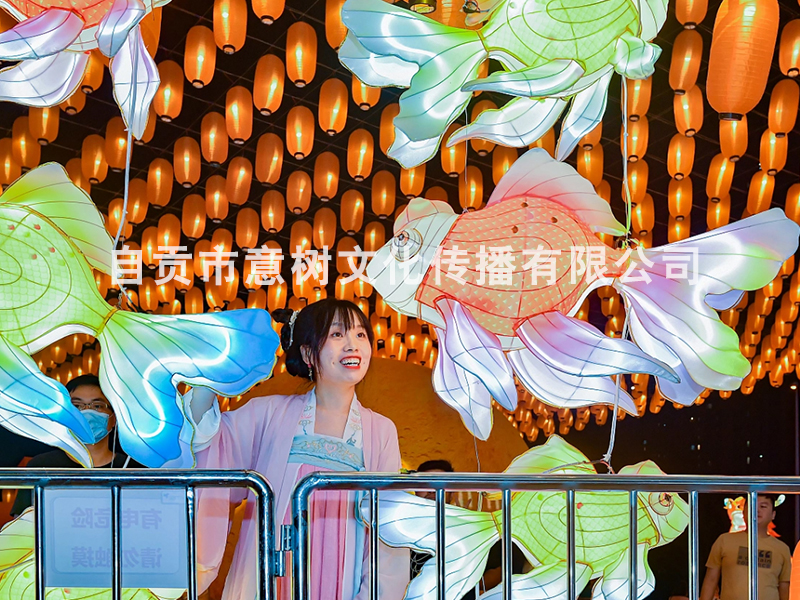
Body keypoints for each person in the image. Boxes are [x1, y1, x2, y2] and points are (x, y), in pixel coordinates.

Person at [188, 298, 409, 600]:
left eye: (360, 334)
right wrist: (208, 376)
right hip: (271, 576)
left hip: (344, 584)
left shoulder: (381, 431)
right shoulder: (268, 414)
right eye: (337, 334)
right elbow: (207, 444)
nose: (352, 345)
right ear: (307, 353)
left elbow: (388, 529)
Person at [12, 374, 141, 516]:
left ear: (114, 418)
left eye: (97, 406)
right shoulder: (41, 467)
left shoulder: (133, 469)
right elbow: (23, 522)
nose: (87, 412)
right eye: (77, 406)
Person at [700, 493, 792, 600]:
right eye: (752, 505)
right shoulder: (724, 541)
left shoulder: (782, 549)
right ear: (743, 512)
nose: (757, 510)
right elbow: (710, 580)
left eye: (763, 506)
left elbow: (784, 588)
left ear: (773, 514)